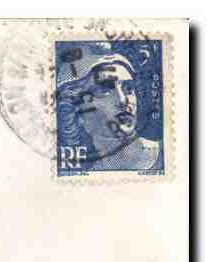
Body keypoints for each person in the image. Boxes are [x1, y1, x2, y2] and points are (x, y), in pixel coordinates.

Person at [56, 42, 161, 171]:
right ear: (76, 111)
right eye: (104, 90)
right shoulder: (85, 172)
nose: (123, 100)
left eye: (129, 88)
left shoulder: (160, 158)